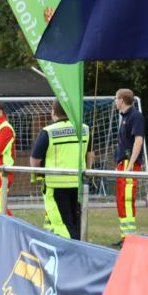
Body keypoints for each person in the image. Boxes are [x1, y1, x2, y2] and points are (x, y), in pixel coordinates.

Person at [30, 100, 93, 240]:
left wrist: (36, 174)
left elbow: (35, 160)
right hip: (78, 183)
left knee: (62, 225)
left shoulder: (48, 132)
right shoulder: (85, 129)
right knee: (75, 221)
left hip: (56, 184)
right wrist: (88, 173)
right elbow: (89, 154)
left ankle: (72, 252)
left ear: (53, 112)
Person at [114, 88, 146, 244]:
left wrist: (130, 164)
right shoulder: (125, 117)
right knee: (121, 200)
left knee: (126, 199)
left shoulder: (135, 116)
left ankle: (129, 238)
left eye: (116, 98)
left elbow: (138, 141)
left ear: (121, 99)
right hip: (123, 163)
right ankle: (124, 236)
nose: (115, 101)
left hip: (128, 164)